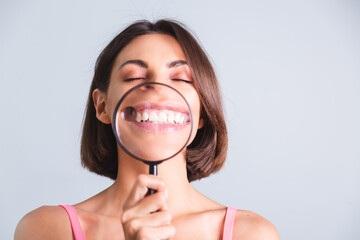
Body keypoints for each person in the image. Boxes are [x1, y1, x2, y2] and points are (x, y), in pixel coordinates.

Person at [14, 19, 280, 240]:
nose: (155, 86)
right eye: (134, 77)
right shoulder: (47, 229)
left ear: (202, 114)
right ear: (102, 106)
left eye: (181, 78)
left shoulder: (252, 233)